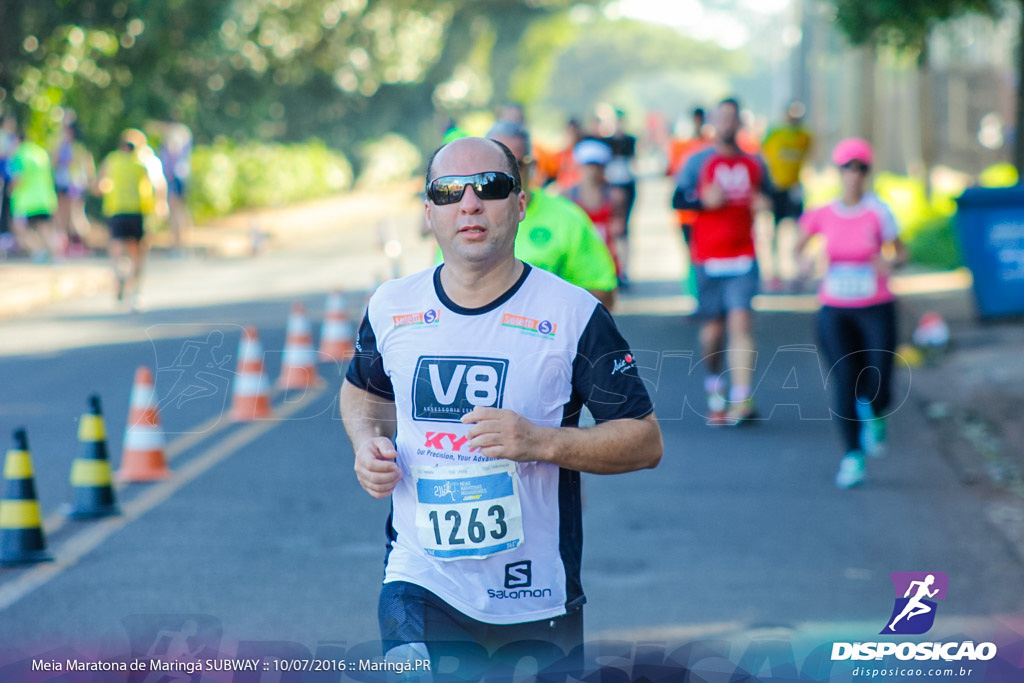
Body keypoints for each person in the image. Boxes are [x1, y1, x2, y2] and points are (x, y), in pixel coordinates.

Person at [339, 136, 662, 674]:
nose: (469, 204)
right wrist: (366, 442)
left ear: (520, 204)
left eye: (489, 187)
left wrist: (541, 441)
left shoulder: (574, 315)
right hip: (419, 579)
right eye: (448, 191)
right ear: (428, 212)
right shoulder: (392, 306)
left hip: (536, 596)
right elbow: (364, 390)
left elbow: (644, 440)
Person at [796, 138, 907, 489]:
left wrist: (889, 260)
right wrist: (804, 263)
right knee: (845, 378)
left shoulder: (878, 211)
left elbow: (901, 252)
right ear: (838, 172)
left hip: (875, 306)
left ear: (867, 173)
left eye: (861, 168)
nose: (854, 175)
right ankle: (852, 456)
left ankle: (875, 412)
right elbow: (798, 246)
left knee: (879, 380)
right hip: (835, 308)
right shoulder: (823, 213)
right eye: (847, 167)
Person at [672, 97, 771, 426]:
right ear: (715, 123)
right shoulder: (697, 160)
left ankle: (742, 397)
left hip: (744, 255)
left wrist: (764, 203)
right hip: (708, 257)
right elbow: (676, 198)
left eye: (733, 118)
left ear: (740, 123)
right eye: (722, 118)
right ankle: (715, 388)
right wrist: (701, 201)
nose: (728, 124)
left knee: (741, 324)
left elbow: (774, 196)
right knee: (713, 331)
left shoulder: (755, 162)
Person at [487, 121, 619, 310]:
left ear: (531, 166)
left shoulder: (568, 219)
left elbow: (603, 293)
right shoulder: (463, 220)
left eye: (515, 164)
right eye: (492, 167)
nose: (505, 175)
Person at [97, 131, 155, 309]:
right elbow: (155, 184)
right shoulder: (142, 162)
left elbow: (99, 185)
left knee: (117, 251)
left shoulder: (112, 160)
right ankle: (135, 291)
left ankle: (120, 276)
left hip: (117, 211)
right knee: (137, 254)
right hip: (136, 211)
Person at [761, 101, 813, 291]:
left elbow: (808, 155)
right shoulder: (775, 133)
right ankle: (775, 272)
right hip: (776, 187)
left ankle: (797, 270)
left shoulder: (806, 136)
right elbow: (763, 154)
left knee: (800, 229)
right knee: (774, 231)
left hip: (794, 187)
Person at [564, 139, 627, 286]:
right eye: (588, 166)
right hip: (578, 259)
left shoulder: (615, 196)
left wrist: (622, 267)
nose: (592, 171)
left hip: (605, 259)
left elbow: (620, 232)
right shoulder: (566, 195)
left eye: (596, 166)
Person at [8, 126, 60, 261]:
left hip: (26, 201)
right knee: (45, 230)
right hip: (45, 199)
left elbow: (18, 178)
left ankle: (38, 252)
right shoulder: (40, 153)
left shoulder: (19, 154)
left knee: (18, 228)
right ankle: (55, 257)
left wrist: (10, 190)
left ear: (18, 140)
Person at [51, 119, 97, 256]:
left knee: (75, 215)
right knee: (64, 216)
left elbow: (86, 168)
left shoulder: (75, 148)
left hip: (72, 185)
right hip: (67, 184)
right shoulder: (70, 147)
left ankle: (80, 244)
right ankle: (68, 245)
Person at [602, 109, 637, 286]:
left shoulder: (629, 139)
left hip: (625, 184)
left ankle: (624, 269)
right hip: (610, 185)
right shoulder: (605, 141)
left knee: (623, 228)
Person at [158, 120, 193, 253]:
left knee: (175, 213)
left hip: (174, 178)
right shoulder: (184, 135)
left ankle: (177, 245)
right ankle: (182, 244)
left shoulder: (174, 137)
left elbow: (173, 154)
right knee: (181, 211)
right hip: (181, 177)